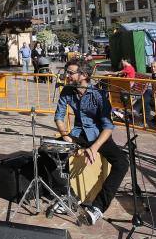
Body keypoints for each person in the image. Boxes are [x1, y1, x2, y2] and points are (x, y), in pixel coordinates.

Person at [51, 60, 129, 225]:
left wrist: (94, 147)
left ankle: (97, 208)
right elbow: (58, 117)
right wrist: (67, 138)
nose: (67, 75)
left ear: (84, 75)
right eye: (67, 71)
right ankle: (69, 195)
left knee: (122, 163)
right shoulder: (67, 91)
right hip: (77, 134)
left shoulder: (98, 95)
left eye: (71, 72)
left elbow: (108, 127)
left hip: (98, 136)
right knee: (47, 151)